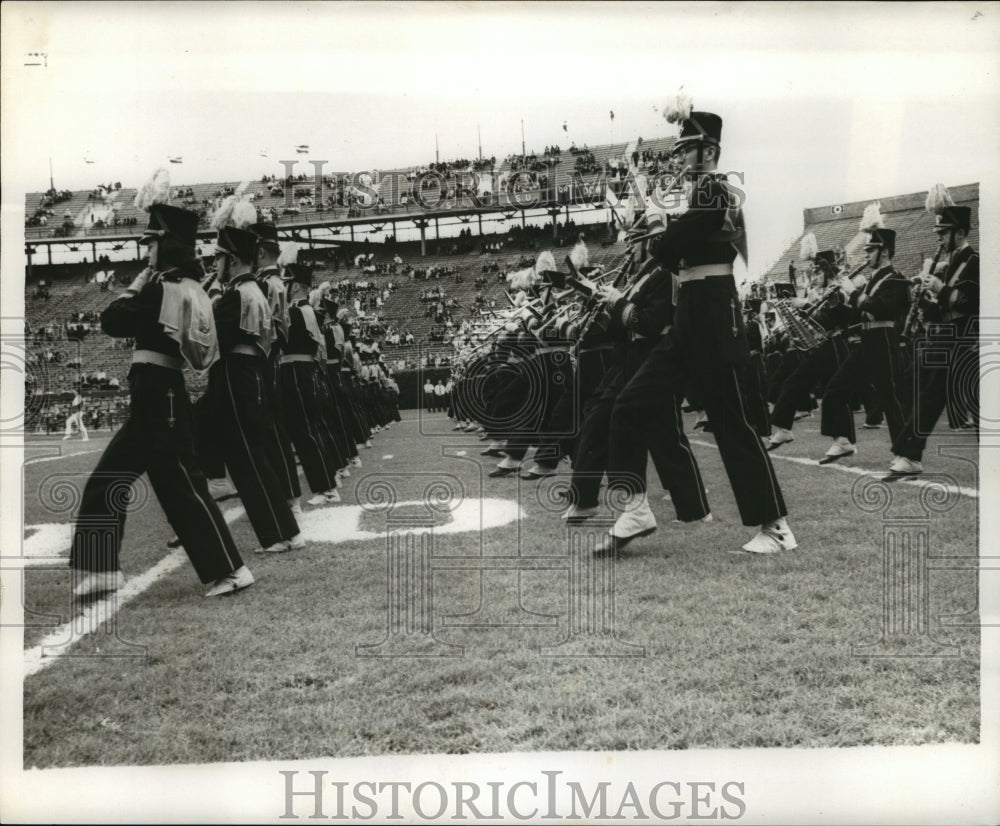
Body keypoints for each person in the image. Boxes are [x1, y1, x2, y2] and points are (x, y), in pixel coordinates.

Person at [603, 103, 794, 555]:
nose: (681, 159)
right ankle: (635, 508)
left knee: (731, 424)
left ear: (709, 150)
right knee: (630, 402)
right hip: (689, 314)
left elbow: (670, 246)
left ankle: (777, 527)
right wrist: (659, 228)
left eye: (688, 150)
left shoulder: (717, 190)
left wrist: (659, 227)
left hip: (714, 314)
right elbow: (669, 249)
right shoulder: (694, 195)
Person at [69, 201, 253, 599]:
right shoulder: (187, 287)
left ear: (165, 245)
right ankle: (225, 569)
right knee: (163, 485)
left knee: (160, 485)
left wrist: (136, 283)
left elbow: (112, 321)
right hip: (164, 392)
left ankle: (230, 570)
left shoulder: (160, 288)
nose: (146, 249)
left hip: (155, 393)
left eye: (151, 242)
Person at [208, 217, 304, 553]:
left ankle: (276, 534)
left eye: (218, 258)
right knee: (255, 457)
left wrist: (211, 301)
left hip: (237, 377)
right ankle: (286, 530)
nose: (214, 264)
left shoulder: (236, 294)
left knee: (246, 459)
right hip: (254, 376)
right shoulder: (254, 290)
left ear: (232, 259)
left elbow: (211, 338)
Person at [889, 199, 978, 474]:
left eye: (944, 233)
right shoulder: (951, 263)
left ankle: (910, 455)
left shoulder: (974, 262)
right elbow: (942, 308)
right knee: (925, 391)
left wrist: (939, 287)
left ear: (960, 234)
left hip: (965, 337)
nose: (939, 238)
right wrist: (925, 300)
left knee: (970, 398)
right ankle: (909, 455)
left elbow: (968, 302)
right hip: (946, 337)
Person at [819, 208, 910, 464]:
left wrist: (855, 293)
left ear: (885, 251)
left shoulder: (896, 279)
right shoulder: (872, 280)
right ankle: (842, 439)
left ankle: (907, 455)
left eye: (871, 250)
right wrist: (840, 301)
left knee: (888, 397)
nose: (866, 254)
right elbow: (857, 314)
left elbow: (880, 308)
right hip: (866, 342)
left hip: (883, 341)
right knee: (835, 387)